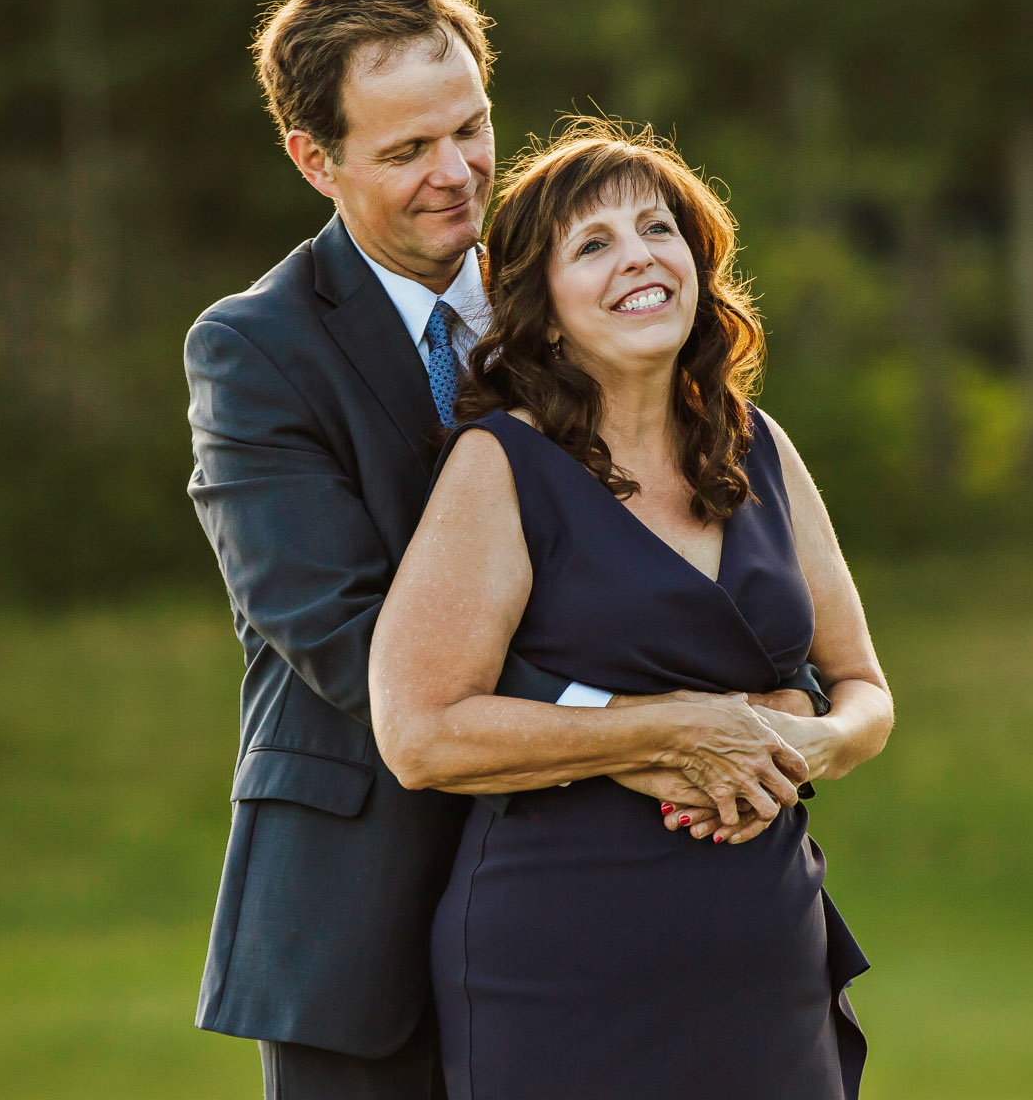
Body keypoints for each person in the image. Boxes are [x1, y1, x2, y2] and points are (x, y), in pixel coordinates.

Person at [185, 0, 822, 1100]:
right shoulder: (252, 351)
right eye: (406, 151)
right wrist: (648, 728)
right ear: (313, 160)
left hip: (604, 906)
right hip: (361, 897)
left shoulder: (570, 292)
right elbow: (338, 632)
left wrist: (761, 708)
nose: (458, 173)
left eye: (470, 127)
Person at [370, 121, 896, 1100]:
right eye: (593, 244)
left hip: (763, 964)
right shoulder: (502, 466)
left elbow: (863, 688)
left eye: (657, 229)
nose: (638, 258)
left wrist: (811, 746)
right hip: (561, 973)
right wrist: (685, 729)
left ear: (696, 263)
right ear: (544, 306)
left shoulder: (759, 448)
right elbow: (421, 731)